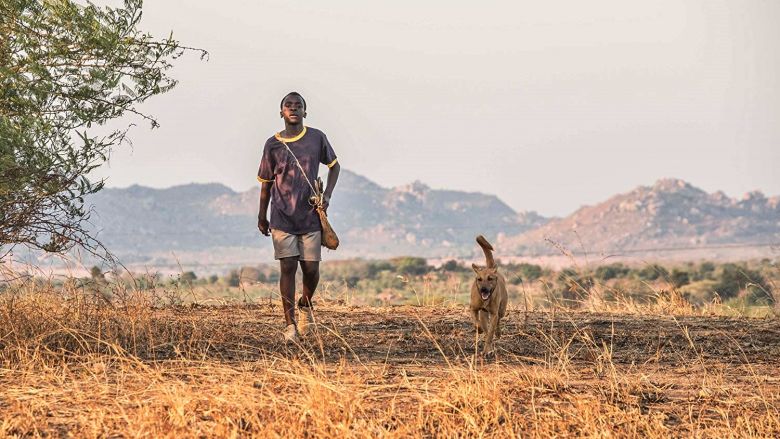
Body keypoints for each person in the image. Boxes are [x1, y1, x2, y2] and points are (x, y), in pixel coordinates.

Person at [257, 91, 340, 343]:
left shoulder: (316, 138)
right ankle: (290, 325)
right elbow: (266, 183)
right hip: (281, 215)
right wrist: (262, 216)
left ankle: (305, 305)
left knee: (311, 269)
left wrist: (328, 197)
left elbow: (334, 166)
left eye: (298, 105)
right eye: (288, 105)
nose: (293, 109)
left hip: (310, 215)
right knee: (288, 267)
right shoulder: (272, 144)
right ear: (281, 112)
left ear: (305, 111)